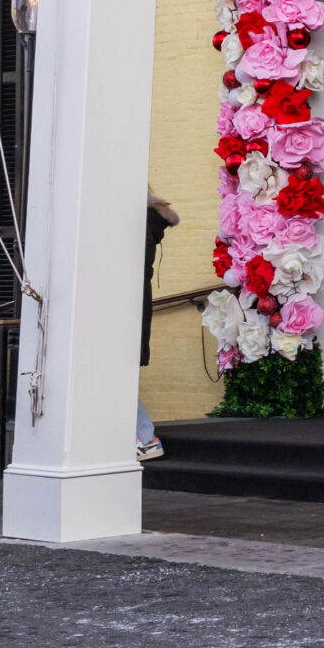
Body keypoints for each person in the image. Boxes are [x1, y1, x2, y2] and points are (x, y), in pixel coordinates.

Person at [139, 192, 180, 462]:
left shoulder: (133, 223)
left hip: (122, 302)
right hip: (135, 300)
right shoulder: (149, 221)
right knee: (114, 370)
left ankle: (144, 437)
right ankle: (143, 437)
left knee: (111, 371)